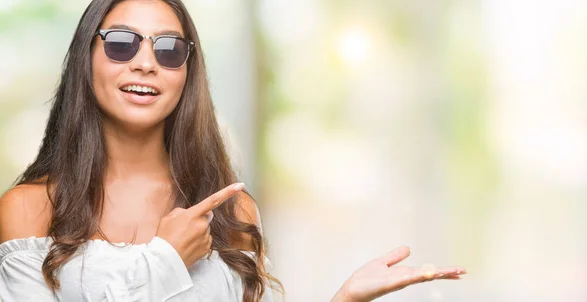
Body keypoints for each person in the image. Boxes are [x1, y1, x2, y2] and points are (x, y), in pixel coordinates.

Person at [0, 0, 466, 301]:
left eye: (168, 49)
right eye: (122, 44)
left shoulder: (231, 213)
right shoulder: (30, 209)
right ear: (87, 57)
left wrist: (342, 300)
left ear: (188, 72)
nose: (145, 62)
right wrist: (164, 261)